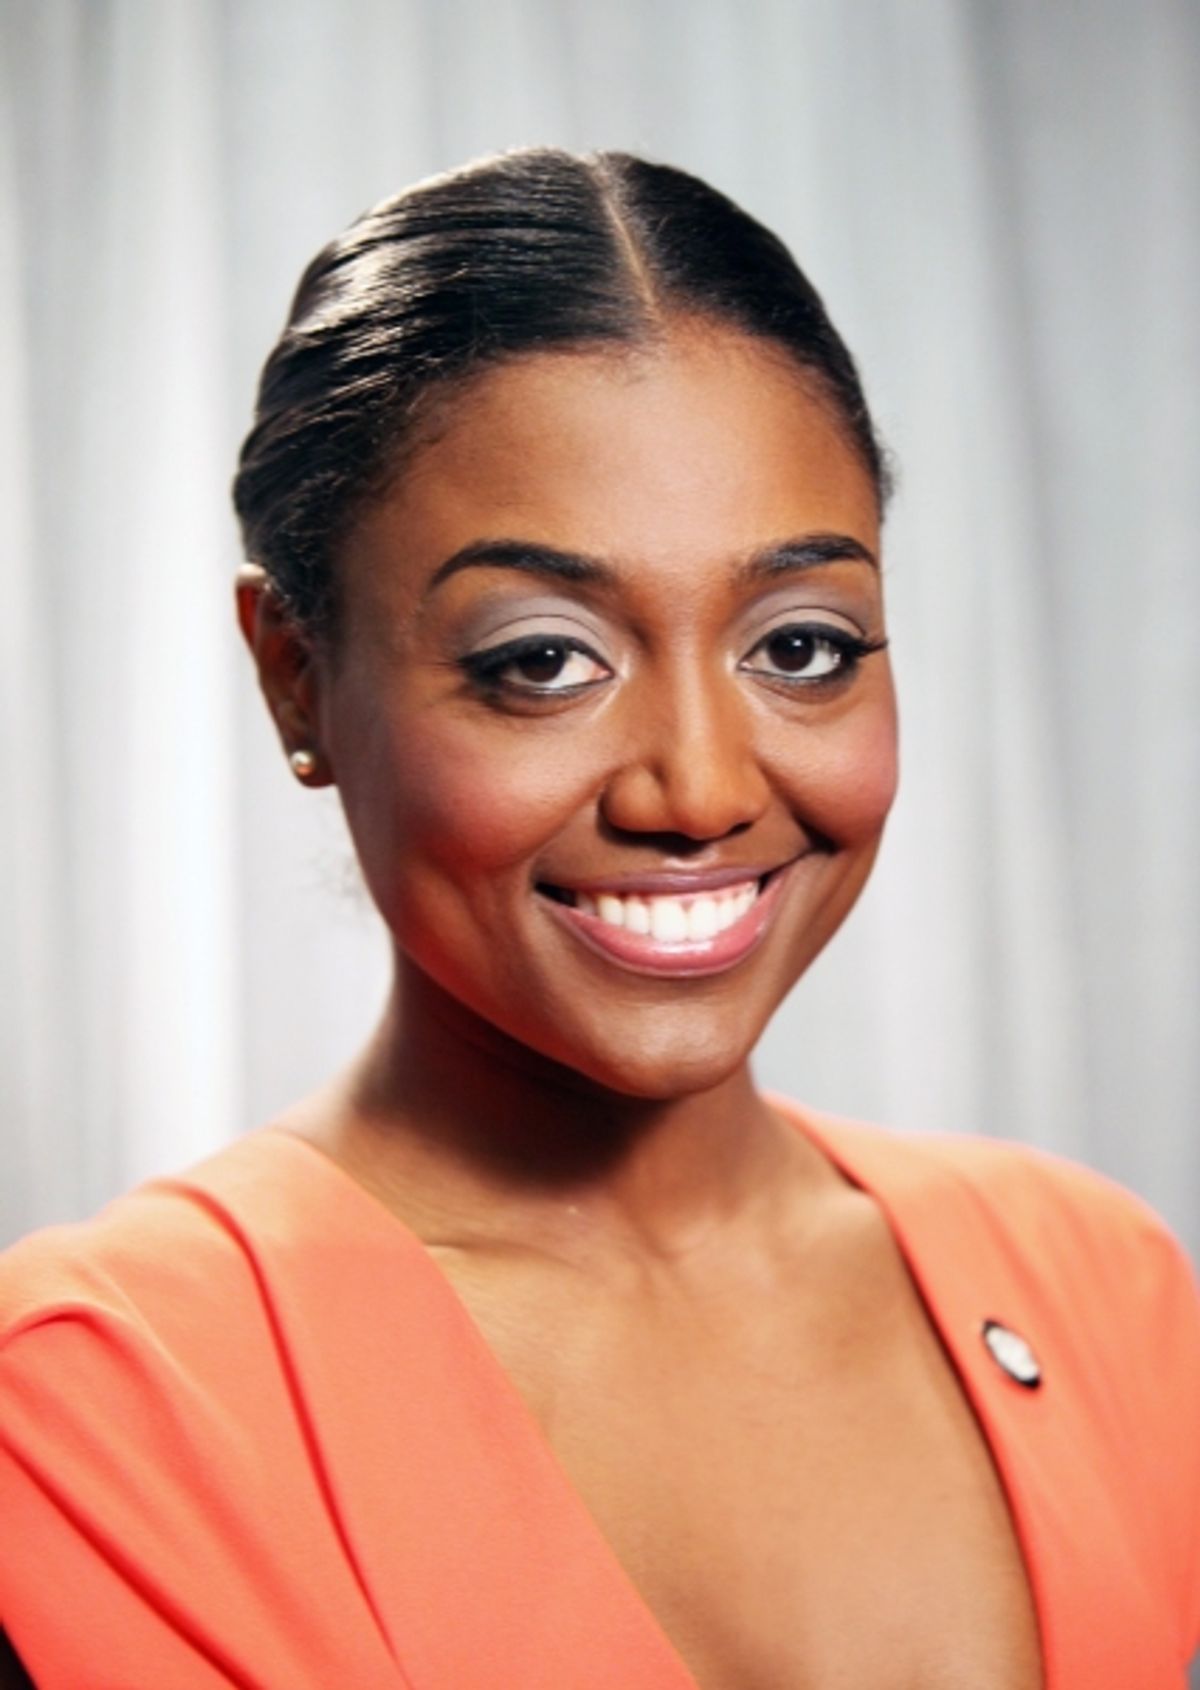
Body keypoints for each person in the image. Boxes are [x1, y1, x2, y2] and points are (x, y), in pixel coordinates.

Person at [1, 147, 1197, 1690]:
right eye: (542, 660)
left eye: (807, 644)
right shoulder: (97, 1409)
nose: (699, 786)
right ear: (295, 672)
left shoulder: (1099, 1282)